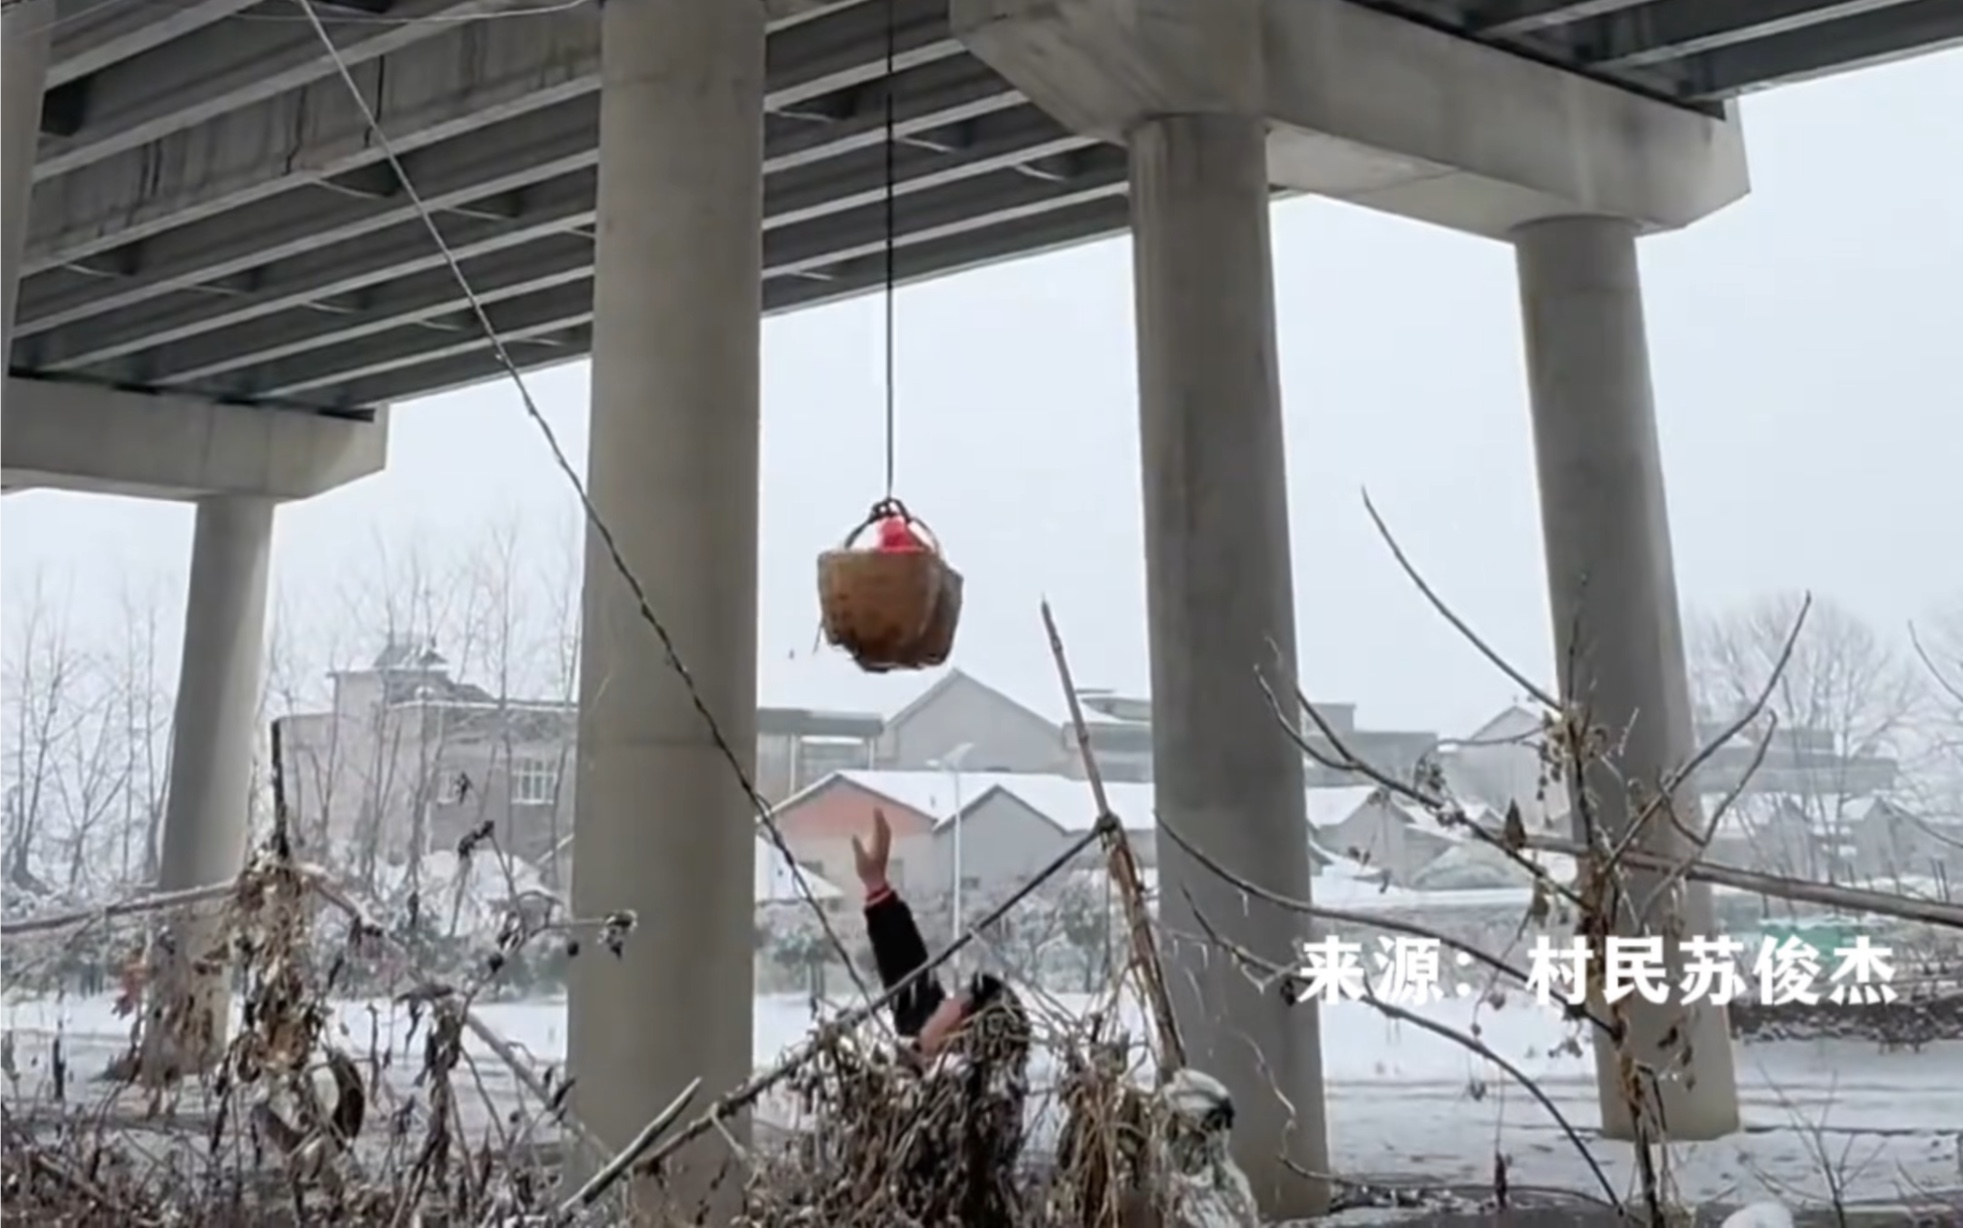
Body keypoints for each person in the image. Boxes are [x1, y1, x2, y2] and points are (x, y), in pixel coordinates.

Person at [851, 809, 1031, 1225]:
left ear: (968, 1027)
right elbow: (911, 983)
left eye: (959, 998)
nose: (947, 1001)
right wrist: (877, 889)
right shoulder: (947, 1079)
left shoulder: (947, 1113)